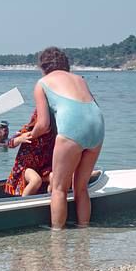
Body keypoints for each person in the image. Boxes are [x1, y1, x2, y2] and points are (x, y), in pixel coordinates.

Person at [30, 47, 105, 229]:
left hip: (73, 130)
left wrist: (30, 135)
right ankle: (83, 231)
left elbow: (44, 124)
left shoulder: (42, 83)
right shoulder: (80, 79)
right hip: (97, 127)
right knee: (81, 188)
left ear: (43, 67)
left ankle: (57, 237)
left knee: (59, 189)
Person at [4, 110, 56, 196]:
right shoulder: (29, 131)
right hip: (25, 168)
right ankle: (22, 203)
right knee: (36, 180)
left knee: (55, 177)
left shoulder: (52, 135)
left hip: (43, 168)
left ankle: (50, 200)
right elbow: (9, 143)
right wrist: (20, 139)